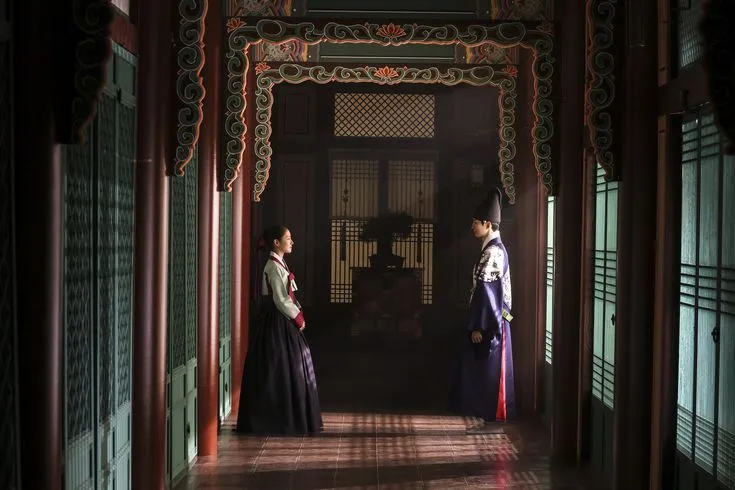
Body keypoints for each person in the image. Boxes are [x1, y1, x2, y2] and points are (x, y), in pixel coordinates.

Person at [236, 225, 323, 435]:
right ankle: (279, 420)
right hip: (276, 320)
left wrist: (298, 313)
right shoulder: (273, 266)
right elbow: (281, 299)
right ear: (276, 242)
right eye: (288, 238)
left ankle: (289, 418)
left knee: (293, 365)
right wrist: (298, 318)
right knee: (281, 368)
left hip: (281, 318)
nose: (292, 242)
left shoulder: (279, 263)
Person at [449, 187, 516, 429]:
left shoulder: (494, 252)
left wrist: (478, 326)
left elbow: (487, 293)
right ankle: (483, 414)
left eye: (475, 222)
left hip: (492, 322)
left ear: (488, 224)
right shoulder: (491, 249)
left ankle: (491, 416)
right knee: (483, 370)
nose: (472, 227)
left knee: (491, 371)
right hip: (490, 319)